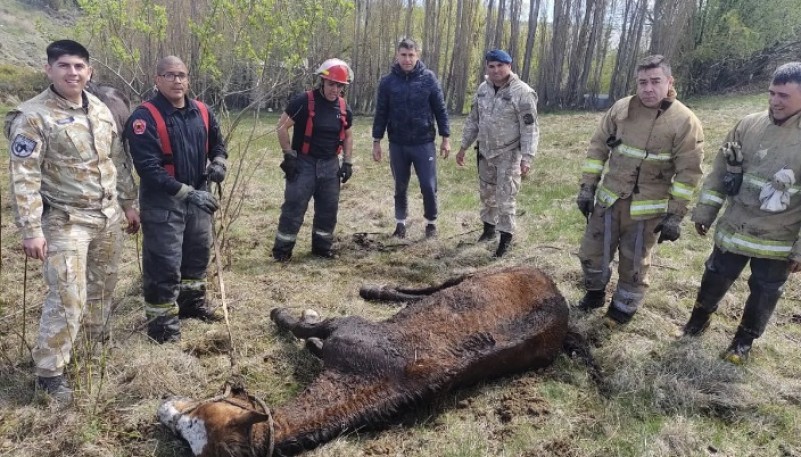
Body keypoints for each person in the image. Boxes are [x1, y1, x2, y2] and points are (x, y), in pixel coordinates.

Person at [4, 39, 140, 402]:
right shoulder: (32, 116)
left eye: (79, 66)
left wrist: (128, 202)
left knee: (102, 288)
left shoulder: (99, 108)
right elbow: (24, 177)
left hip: (107, 216)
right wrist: (31, 229)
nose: (73, 72)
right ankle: (50, 373)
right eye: (64, 66)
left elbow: (117, 160)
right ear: (49, 69)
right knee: (68, 296)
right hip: (65, 220)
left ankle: (90, 348)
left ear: (89, 71)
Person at [683, 62, 801, 364]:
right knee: (714, 277)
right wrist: (706, 211)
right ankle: (698, 321)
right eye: (772, 93)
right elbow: (720, 171)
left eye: (784, 96)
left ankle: (743, 341)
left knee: (765, 291)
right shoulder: (748, 124)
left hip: (776, 240)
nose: (775, 100)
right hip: (734, 228)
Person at [573, 54, 704, 326]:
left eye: (655, 81)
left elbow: (688, 172)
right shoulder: (621, 109)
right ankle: (594, 294)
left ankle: (622, 309)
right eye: (642, 82)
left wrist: (675, 215)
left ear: (669, 82)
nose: (648, 88)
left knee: (633, 265)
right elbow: (598, 147)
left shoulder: (684, 121)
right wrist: (588, 187)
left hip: (646, 209)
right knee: (592, 252)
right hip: (609, 199)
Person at [125, 55, 227, 344]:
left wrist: (219, 163)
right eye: (169, 75)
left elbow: (218, 145)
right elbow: (148, 169)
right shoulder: (144, 117)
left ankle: (192, 305)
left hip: (198, 198)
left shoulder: (203, 112)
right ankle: (163, 327)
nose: (177, 80)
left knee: (196, 257)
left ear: (188, 79)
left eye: (181, 75)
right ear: (157, 80)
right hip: (164, 202)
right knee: (164, 265)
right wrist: (189, 193)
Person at [455, 49, 539, 257]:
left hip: (508, 153)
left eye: (500, 66)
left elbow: (530, 128)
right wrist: (463, 146)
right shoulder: (483, 89)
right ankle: (488, 230)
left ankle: (505, 240)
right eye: (491, 66)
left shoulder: (523, 93)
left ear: (509, 66)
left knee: (505, 197)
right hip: (485, 152)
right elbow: (473, 120)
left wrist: (527, 158)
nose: (496, 70)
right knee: (487, 194)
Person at [272, 58, 355, 261]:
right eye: (331, 84)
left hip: (330, 165)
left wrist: (347, 162)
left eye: (339, 85)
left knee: (328, 208)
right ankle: (282, 252)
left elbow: (349, 135)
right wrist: (289, 155)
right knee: (294, 206)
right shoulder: (304, 101)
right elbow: (282, 127)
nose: (335, 89)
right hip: (304, 163)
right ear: (322, 82)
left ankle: (321, 249)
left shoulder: (344, 108)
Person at [372, 38, 450, 239]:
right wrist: (376, 141)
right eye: (403, 55)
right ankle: (400, 223)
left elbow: (440, 109)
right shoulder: (387, 82)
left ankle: (431, 223)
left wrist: (445, 137)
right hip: (398, 143)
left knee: (428, 185)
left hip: (423, 142)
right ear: (397, 55)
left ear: (418, 55)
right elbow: (381, 112)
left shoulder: (429, 79)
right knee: (400, 185)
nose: (407, 59)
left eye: (411, 55)